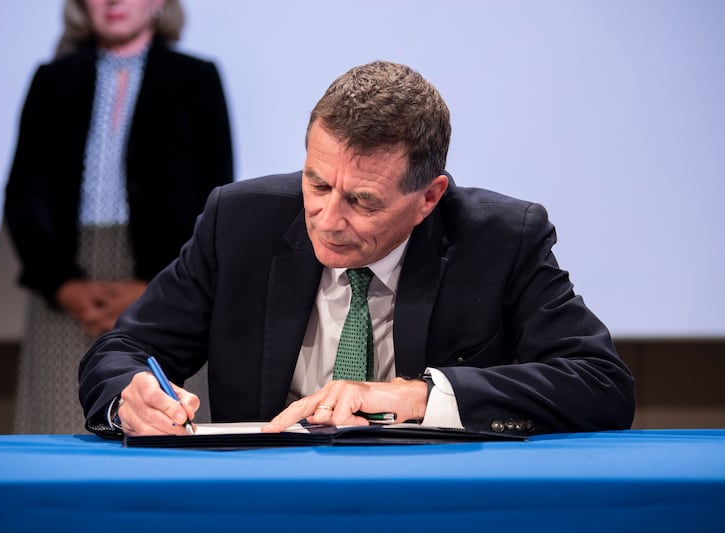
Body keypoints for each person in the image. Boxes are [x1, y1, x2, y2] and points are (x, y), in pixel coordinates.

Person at [79, 60, 634, 438]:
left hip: (433, 507)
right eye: (316, 185)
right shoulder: (239, 221)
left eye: (362, 201)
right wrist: (131, 393)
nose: (327, 217)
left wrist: (421, 396)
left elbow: (601, 383)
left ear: (429, 197)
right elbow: (121, 349)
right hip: (262, 505)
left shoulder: (501, 238)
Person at [5, 0, 233, 434]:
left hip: (168, 276)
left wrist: (155, 284)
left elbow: (213, 192)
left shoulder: (195, 78)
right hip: (64, 285)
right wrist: (62, 285)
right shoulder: (52, 79)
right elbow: (24, 192)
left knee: (154, 418)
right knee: (58, 425)